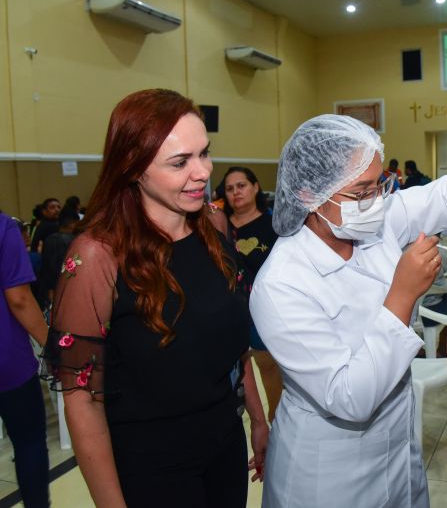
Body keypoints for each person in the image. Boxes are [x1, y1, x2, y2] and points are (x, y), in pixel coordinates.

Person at [249, 114, 447, 507]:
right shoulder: (281, 283)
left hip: (398, 450)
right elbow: (349, 397)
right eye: (360, 192)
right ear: (308, 194)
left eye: (378, 185)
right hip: (329, 472)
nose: (374, 202)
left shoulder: (371, 222)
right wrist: (402, 295)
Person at [40, 89, 267, 507]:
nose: (202, 172)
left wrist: (257, 417)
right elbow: (83, 403)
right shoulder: (97, 256)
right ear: (133, 168)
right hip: (152, 466)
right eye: (180, 162)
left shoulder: (212, 225)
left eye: (205, 153)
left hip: (223, 443)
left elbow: (234, 342)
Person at [220, 166, 283, 423]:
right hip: (229, 310)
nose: (236, 192)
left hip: (267, 309)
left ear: (256, 187)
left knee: (269, 366)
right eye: (230, 188)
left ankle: (276, 419)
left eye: (241, 185)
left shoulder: (273, 224)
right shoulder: (218, 226)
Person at [0, 213, 50, 508]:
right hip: (8, 361)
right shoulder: (4, 227)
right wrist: (53, 345)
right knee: (28, 440)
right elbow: (18, 298)